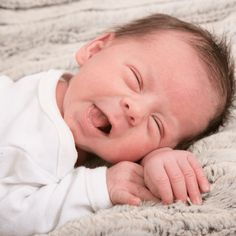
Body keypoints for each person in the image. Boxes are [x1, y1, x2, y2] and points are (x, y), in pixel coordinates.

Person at [0, 13, 234, 235]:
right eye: (135, 80)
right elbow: (8, 217)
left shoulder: (51, 88)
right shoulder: (39, 142)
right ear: (94, 50)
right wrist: (98, 187)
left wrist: (157, 158)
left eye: (156, 125)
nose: (137, 111)